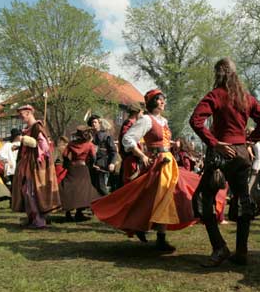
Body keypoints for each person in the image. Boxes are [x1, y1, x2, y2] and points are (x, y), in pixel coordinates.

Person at [93, 89, 221, 252]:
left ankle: (148, 230)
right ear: (153, 102)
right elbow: (128, 138)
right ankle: (157, 237)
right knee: (159, 198)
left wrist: (173, 144)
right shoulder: (147, 120)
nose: (163, 102)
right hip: (158, 163)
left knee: (165, 197)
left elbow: (162, 140)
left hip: (169, 162)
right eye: (160, 100)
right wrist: (141, 155)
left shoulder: (164, 121)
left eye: (164, 100)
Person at [190, 57, 260, 267]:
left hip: (221, 155)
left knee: (204, 198)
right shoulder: (247, 98)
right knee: (243, 200)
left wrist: (214, 143)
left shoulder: (215, 95)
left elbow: (195, 120)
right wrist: (248, 141)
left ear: (218, 74)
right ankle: (241, 252)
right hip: (241, 155)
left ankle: (219, 247)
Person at [11, 105, 61, 229]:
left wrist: (24, 140)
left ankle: (39, 220)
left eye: (21, 114)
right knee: (25, 191)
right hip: (26, 164)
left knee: (30, 192)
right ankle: (32, 217)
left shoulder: (37, 127)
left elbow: (43, 146)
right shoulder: (28, 128)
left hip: (34, 165)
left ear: (28, 113)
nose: (20, 116)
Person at [60, 126, 98, 221]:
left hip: (72, 168)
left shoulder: (71, 144)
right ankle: (79, 213)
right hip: (83, 168)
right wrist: (91, 164)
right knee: (83, 191)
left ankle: (68, 213)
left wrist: (67, 164)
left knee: (69, 188)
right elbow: (93, 157)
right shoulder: (89, 145)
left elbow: (64, 155)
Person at [88, 115, 117, 196]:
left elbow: (113, 151)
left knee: (101, 187)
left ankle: (110, 203)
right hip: (90, 165)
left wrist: (112, 163)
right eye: (92, 122)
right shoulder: (88, 136)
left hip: (101, 164)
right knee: (93, 187)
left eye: (95, 122)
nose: (93, 124)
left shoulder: (106, 135)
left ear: (99, 123)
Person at [118, 103, 144, 186]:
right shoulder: (129, 124)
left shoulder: (133, 124)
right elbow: (127, 141)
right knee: (130, 186)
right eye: (142, 113)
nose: (142, 115)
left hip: (134, 159)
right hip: (131, 159)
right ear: (137, 112)